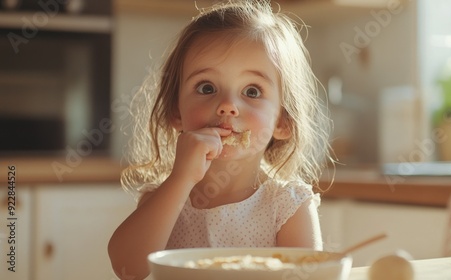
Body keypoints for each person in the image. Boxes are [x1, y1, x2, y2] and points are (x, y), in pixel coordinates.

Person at [108, 1, 334, 279]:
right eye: (207, 87)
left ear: (282, 121)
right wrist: (180, 180)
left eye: (252, 91)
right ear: (175, 112)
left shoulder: (287, 204)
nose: (227, 106)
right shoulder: (165, 198)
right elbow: (126, 270)